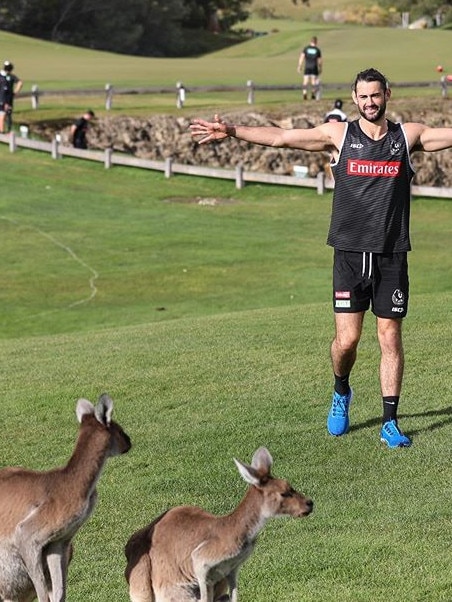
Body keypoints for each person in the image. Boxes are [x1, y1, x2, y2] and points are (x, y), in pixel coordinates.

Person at [190, 67, 452, 448]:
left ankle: (390, 422)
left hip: (392, 255)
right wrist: (232, 130)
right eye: (363, 96)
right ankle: (341, 390)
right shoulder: (339, 136)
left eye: (375, 95)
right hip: (348, 254)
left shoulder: (407, 136)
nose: (369, 102)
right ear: (354, 98)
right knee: (347, 342)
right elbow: (281, 138)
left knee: (390, 338)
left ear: (387, 95)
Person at [0, 60, 23, 133]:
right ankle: (4, 132)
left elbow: (20, 83)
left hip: (5, 99)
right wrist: (15, 92)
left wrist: (15, 92)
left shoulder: (7, 76)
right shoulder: (9, 76)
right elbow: (20, 83)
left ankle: (3, 131)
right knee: (5, 115)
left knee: (4, 114)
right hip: (5, 99)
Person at [297, 36, 322, 101]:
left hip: (307, 67)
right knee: (313, 81)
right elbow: (319, 60)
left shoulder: (306, 49)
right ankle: (313, 94)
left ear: (310, 41)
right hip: (314, 67)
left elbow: (301, 57)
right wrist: (320, 68)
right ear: (316, 42)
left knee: (305, 81)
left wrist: (299, 66)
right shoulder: (317, 50)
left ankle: (304, 93)